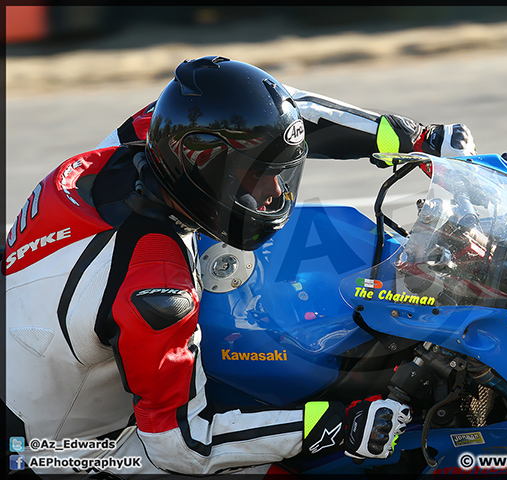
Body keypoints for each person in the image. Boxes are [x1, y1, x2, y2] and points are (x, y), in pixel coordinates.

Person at [4, 55, 476, 477]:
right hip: (61, 453)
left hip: (40, 355)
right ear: (205, 167)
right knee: (298, 456)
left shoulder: (146, 145)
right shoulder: (158, 291)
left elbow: (281, 112)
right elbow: (181, 444)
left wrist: (418, 140)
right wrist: (334, 426)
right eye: (257, 176)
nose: (275, 194)